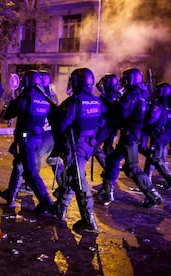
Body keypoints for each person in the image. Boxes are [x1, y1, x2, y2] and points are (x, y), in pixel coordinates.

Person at [96, 68, 163, 208]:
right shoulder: (141, 92)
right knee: (112, 160)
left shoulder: (134, 93)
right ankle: (107, 192)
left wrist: (110, 100)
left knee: (132, 167)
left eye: (126, 78)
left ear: (133, 79)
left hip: (130, 134)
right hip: (131, 132)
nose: (123, 81)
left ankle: (153, 195)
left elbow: (123, 111)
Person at [52, 68, 102, 232]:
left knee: (80, 182)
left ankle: (89, 220)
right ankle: (61, 208)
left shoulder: (74, 102)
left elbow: (62, 125)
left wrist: (56, 113)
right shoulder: (96, 101)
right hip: (88, 145)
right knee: (72, 176)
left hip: (76, 146)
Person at [0, 70, 54, 212]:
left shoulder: (26, 96)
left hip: (25, 138)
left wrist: (11, 102)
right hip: (38, 138)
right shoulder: (43, 98)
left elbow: (8, 115)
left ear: (27, 81)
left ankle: (46, 201)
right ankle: (10, 195)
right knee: (19, 164)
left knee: (30, 171)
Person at [143, 82, 171, 190]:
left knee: (153, 158)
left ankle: (170, 179)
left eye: (157, 89)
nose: (155, 91)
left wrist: (145, 125)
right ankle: (148, 181)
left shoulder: (159, 104)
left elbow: (151, 119)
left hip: (158, 135)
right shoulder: (170, 103)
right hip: (166, 135)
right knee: (156, 158)